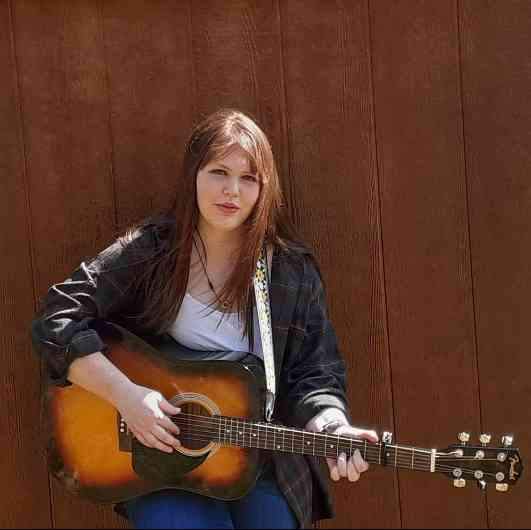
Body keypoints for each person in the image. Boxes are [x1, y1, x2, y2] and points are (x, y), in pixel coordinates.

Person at [31, 108, 378, 529]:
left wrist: (332, 426)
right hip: (163, 458)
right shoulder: (153, 252)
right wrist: (126, 396)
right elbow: (57, 317)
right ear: (193, 174)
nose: (232, 190)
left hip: (259, 459)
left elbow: (315, 370)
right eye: (218, 172)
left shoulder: (289, 270)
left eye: (249, 178)